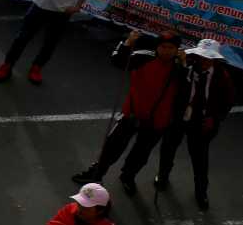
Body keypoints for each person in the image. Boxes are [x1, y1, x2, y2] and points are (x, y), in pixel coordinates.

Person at [72, 31, 186, 196]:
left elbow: (185, 91)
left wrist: (183, 66)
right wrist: (127, 43)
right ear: (157, 46)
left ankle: (128, 176)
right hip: (132, 114)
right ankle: (96, 174)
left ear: (177, 49)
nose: (166, 51)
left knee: (141, 154)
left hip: (157, 121)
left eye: (171, 48)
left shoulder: (179, 67)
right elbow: (118, 61)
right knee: (112, 147)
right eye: (163, 47)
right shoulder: (142, 57)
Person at [156, 38, 235, 211]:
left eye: (208, 58)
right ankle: (162, 177)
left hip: (202, 121)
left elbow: (227, 102)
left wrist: (214, 118)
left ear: (214, 60)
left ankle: (201, 192)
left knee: (200, 159)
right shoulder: (186, 68)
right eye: (201, 57)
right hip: (179, 117)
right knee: (168, 148)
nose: (204, 61)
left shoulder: (222, 76)